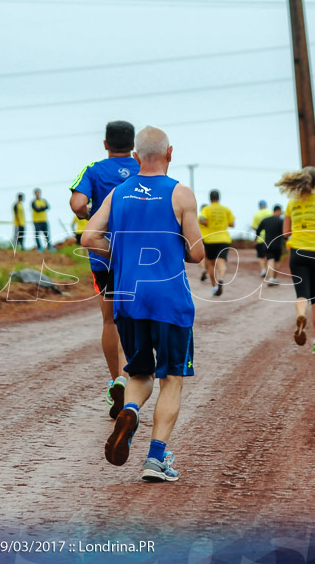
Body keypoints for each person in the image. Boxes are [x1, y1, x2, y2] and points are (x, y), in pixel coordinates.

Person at [83, 126, 204, 483]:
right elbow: (197, 252)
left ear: (136, 157)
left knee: (139, 374)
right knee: (172, 378)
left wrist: (118, 254)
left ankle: (131, 409)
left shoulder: (118, 193)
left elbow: (89, 237)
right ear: (170, 153)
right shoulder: (180, 193)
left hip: (128, 298)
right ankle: (154, 460)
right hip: (170, 300)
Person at [69, 120, 140, 418]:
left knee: (110, 321)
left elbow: (77, 203)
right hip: (141, 256)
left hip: (104, 256)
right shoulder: (143, 169)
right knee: (138, 320)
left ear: (105, 144)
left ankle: (117, 379)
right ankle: (138, 384)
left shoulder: (93, 170)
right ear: (133, 145)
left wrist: (89, 214)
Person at [276, 166, 315, 354]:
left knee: (302, 294)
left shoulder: (292, 203)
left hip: (298, 253)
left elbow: (286, 232)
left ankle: (301, 314)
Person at [198, 190, 235, 296]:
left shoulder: (206, 209)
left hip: (210, 240)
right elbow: (232, 224)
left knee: (210, 263)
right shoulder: (226, 209)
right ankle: (221, 279)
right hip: (224, 239)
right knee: (221, 263)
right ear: (219, 197)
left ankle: (214, 286)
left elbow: (201, 219)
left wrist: (206, 223)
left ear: (210, 198)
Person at [257, 205, 285, 286]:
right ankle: (274, 278)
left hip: (268, 243)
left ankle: (271, 278)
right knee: (277, 261)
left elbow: (258, 230)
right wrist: (286, 241)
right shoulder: (281, 221)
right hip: (278, 244)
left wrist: (256, 239)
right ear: (279, 211)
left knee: (270, 259)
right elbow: (284, 233)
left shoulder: (266, 220)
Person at [251, 200, 274, 278]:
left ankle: (263, 270)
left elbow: (254, 226)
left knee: (260, 256)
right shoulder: (270, 212)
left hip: (260, 238)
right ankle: (269, 270)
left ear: (259, 206)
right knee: (269, 255)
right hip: (269, 237)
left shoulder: (257, 214)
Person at [197, 203, 210, 282]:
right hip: (209, 238)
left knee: (201, 256)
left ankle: (203, 269)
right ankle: (206, 271)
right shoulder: (206, 217)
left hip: (201, 238)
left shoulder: (199, 216)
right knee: (208, 257)